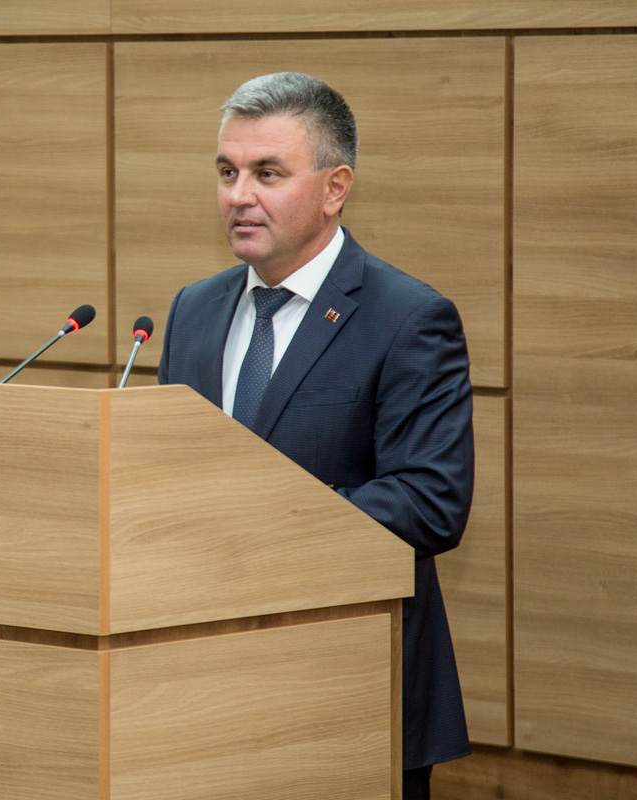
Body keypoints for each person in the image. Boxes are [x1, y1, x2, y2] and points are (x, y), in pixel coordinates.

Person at [157, 72, 473, 800]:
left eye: (267, 174)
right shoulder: (193, 310)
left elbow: (431, 502)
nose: (239, 195)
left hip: (350, 689)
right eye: (227, 172)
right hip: (202, 685)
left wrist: (268, 522)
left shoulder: (407, 317)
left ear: (335, 189)